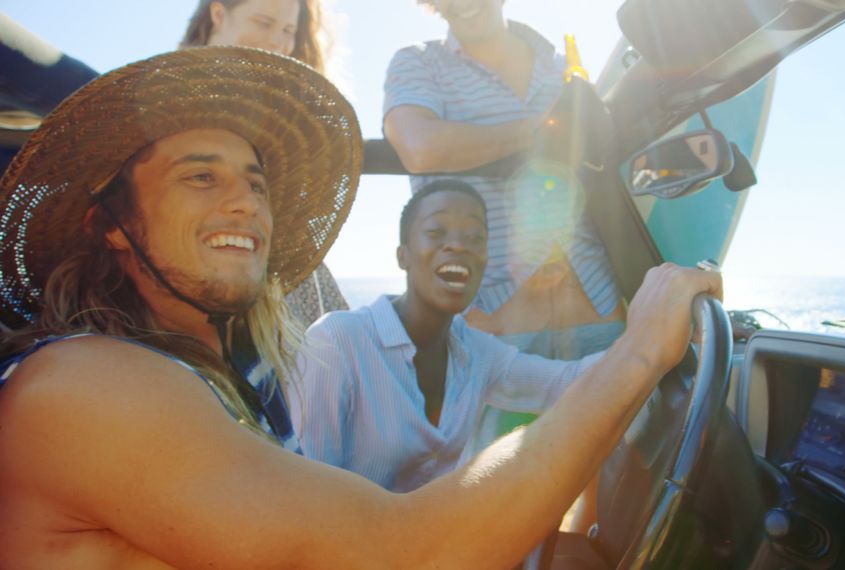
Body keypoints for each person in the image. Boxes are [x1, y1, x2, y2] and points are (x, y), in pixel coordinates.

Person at [0, 47, 723, 568]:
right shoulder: (81, 388)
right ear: (109, 226)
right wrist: (636, 353)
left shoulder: (215, 382)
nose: (245, 202)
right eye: (200, 176)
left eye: (256, 182)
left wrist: (646, 349)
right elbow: (406, 551)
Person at [290, 178, 602, 492]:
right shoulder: (337, 341)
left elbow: (566, 381)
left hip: (444, 537)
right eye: (436, 232)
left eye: (475, 236)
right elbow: (305, 488)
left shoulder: (476, 352)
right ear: (403, 256)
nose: (459, 245)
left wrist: (647, 341)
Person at [383, 0, 624, 361]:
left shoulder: (562, 66)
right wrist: (540, 131)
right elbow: (419, 148)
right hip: (494, 330)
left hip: (601, 311)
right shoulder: (418, 62)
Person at [181, 0, 349, 330]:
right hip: (197, 270)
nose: (277, 41)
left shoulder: (291, 114)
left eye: (288, 30)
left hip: (280, 271)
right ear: (218, 13)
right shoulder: (165, 96)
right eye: (263, 22)